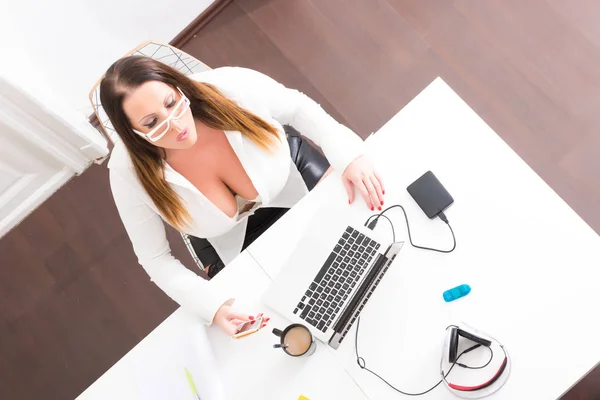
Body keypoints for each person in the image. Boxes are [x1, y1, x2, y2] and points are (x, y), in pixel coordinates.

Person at [100, 55, 385, 337]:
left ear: (177, 87)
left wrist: (349, 155)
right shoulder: (127, 173)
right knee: (288, 315)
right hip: (219, 230)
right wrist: (212, 306)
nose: (176, 125)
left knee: (365, 234)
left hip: (288, 174)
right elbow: (154, 258)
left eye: (172, 103)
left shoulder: (230, 86)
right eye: (152, 123)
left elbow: (297, 107)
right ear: (133, 133)